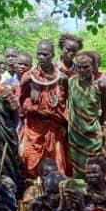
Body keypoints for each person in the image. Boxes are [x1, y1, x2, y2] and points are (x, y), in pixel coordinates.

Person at [19, 40, 70, 177]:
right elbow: (20, 102)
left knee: (57, 165)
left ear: (53, 55)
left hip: (54, 129)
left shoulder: (62, 78)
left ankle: (57, 194)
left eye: (45, 54)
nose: (41, 57)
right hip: (34, 129)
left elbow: (67, 105)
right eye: (39, 54)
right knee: (31, 165)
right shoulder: (29, 76)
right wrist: (30, 107)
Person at [67, 53, 106, 176]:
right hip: (75, 134)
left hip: (93, 134)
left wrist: (101, 128)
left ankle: (94, 193)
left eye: (86, 67)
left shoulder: (100, 85)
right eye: (79, 67)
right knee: (77, 170)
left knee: (93, 167)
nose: (81, 70)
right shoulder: (71, 81)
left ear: (94, 67)